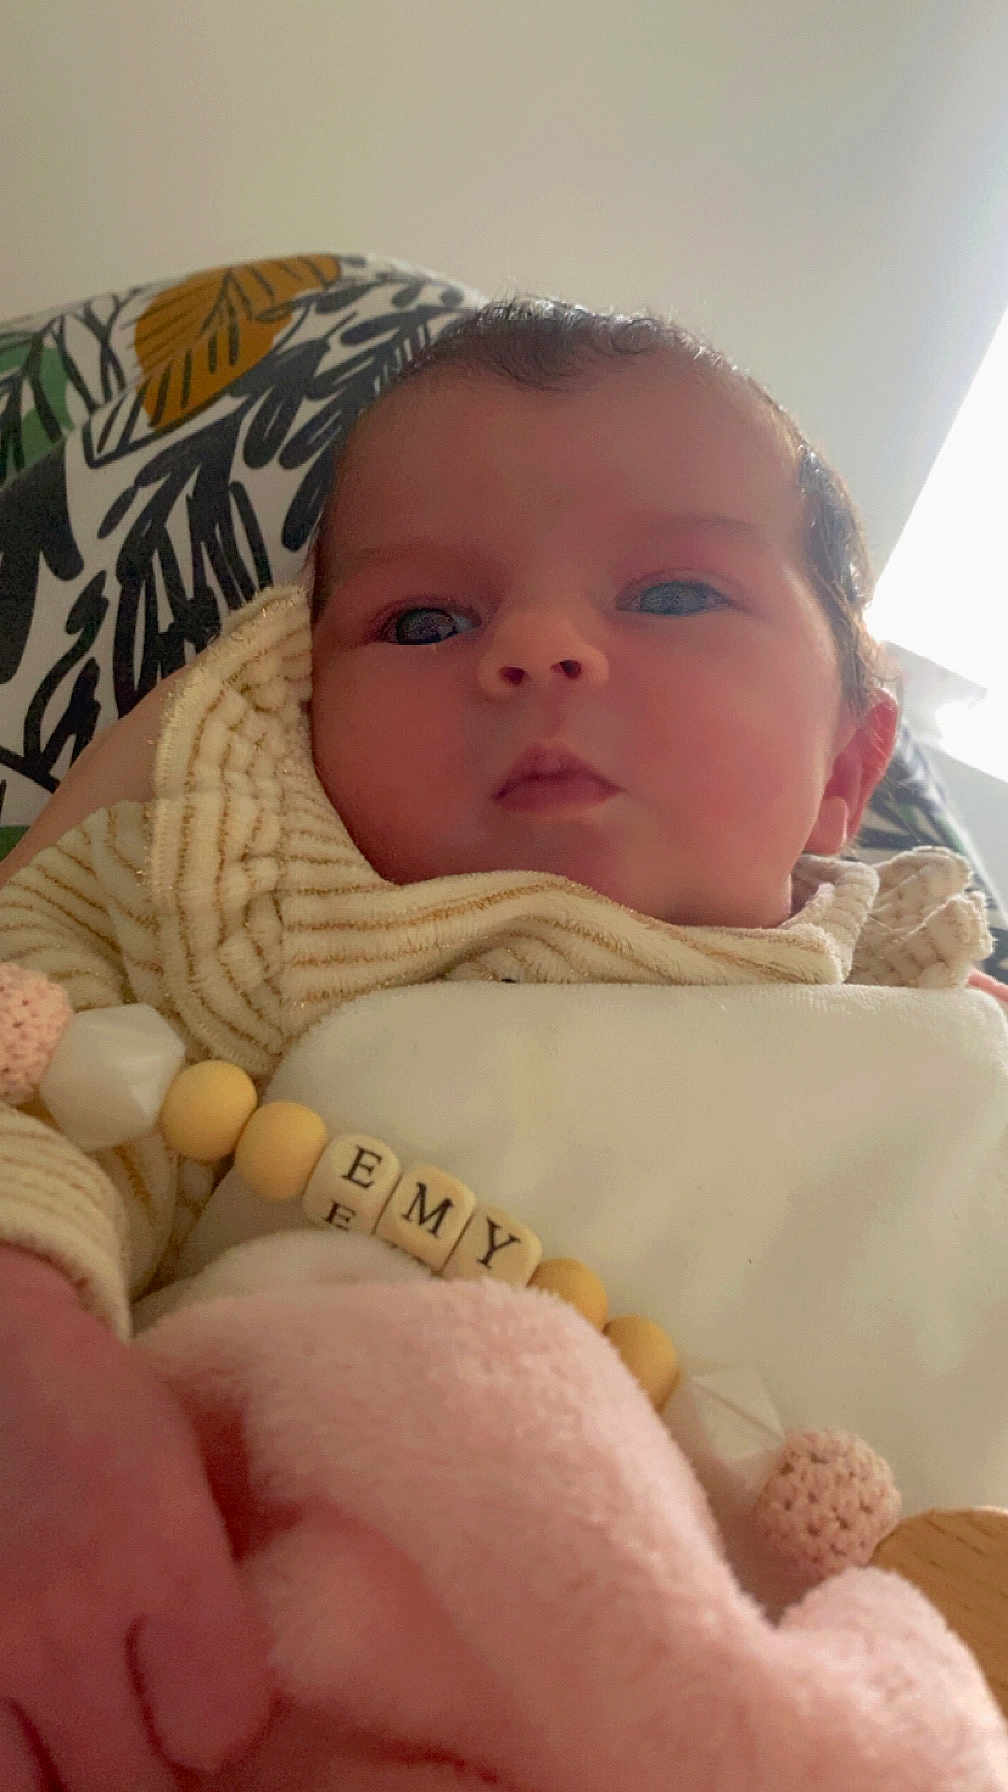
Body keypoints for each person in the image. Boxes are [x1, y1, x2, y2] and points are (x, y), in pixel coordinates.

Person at [0, 299, 1002, 1790]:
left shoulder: (942, 1038)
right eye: (421, 622)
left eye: (670, 596)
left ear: (851, 771)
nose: (537, 646)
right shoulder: (242, 911)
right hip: (346, 1621)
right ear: (296, 702)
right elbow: (31, 1061)